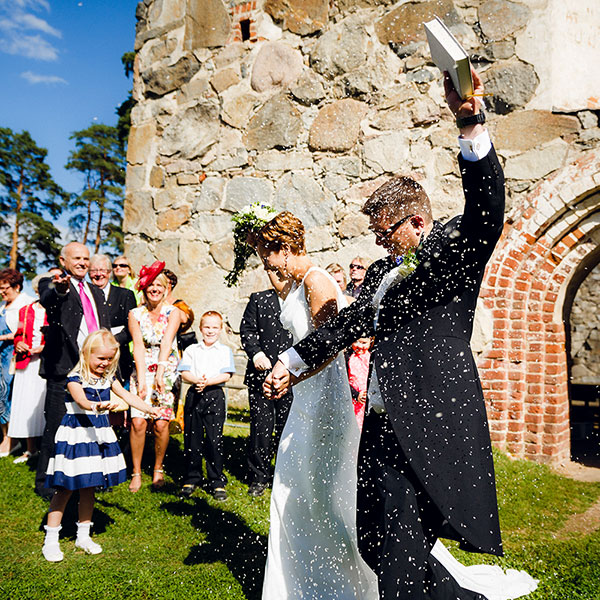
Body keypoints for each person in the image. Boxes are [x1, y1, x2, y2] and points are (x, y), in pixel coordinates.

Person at [265, 69, 538, 599]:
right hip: (381, 423)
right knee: (374, 539)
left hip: (431, 417)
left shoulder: (453, 249)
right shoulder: (378, 273)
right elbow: (345, 325)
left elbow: (487, 209)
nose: (380, 242)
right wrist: (291, 362)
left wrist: (471, 125)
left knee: (401, 550)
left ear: (415, 222)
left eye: (385, 231)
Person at [250, 210, 380, 599]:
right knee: (297, 490)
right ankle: (302, 579)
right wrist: (256, 245)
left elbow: (329, 346)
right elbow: (280, 284)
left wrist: (290, 376)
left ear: (284, 249)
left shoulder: (317, 280)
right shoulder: (295, 281)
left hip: (324, 401)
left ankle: (351, 581)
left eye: (268, 254)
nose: (267, 264)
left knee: (322, 496)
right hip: (307, 400)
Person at [42, 329, 159, 562]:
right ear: (86, 353)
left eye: (109, 359)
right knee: (65, 488)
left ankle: (83, 535)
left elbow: (127, 395)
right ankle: (51, 539)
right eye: (101, 358)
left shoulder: (109, 378)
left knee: (90, 486)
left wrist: (148, 408)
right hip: (77, 435)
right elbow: (81, 400)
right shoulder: (75, 378)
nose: (105, 363)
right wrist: (96, 406)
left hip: (97, 435)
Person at [35, 242, 110, 499]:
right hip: (64, 369)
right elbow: (48, 298)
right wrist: (60, 289)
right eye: (76, 258)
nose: (82, 263)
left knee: (91, 426)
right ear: (63, 261)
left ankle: (90, 477)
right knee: (56, 426)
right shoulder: (52, 283)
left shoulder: (96, 291)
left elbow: (102, 325)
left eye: (86, 258)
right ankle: (46, 482)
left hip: (94, 370)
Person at [128, 261, 181, 492]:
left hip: (166, 369)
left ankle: (158, 468)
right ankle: (136, 471)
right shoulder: (135, 314)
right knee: (138, 421)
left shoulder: (173, 312)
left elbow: (167, 342)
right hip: (141, 367)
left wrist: (160, 372)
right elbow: (138, 346)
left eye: (159, 285)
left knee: (160, 423)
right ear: (144, 287)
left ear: (166, 288)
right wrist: (141, 380)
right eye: (151, 285)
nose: (155, 289)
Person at [240, 270, 293, 498]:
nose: (280, 279)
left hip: (291, 378)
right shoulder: (259, 299)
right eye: (275, 275)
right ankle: (258, 477)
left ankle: (284, 476)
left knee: (287, 428)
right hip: (260, 376)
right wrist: (256, 354)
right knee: (261, 429)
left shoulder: (299, 301)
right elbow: (247, 330)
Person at [178, 311, 235, 501]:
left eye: (214, 327)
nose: (210, 331)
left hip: (214, 394)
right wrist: (197, 381)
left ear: (220, 329)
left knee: (214, 439)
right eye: (207, 327)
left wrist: (208, 382)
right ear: (201, 328)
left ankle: (216, 480)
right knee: (192, 438)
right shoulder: (192, 350)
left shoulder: (224, 351)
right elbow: (184, 372)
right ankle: (192, 477)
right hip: (195, 393)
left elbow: (226, 374)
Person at [8, 272, 59, 463]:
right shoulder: (26, 310)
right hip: (27, 362)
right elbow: (19, 332)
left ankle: (48, 448)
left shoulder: (55, 309)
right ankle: (30, 449)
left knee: (43, 402)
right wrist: (19, 343)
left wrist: (44, 347)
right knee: (26, 403)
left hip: (46, 361)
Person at [0, 268, 35, 456]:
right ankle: (5, 436)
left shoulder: (26, 303)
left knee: (12, 396)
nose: (1, 292)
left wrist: (4, 337)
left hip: (15, 357)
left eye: (5, 288)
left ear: (17, 287)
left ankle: (13, 440)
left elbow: (25, 331)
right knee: (1, 397)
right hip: (1, 356)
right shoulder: (2, 306)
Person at [89, 254, 137, 384]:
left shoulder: (125, 295)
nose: (98, 274)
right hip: (89, 361)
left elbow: (132, 329)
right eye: (94, 271)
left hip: (119, 362)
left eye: (102, 270)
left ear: (109, 272)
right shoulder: (83, 296)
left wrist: (110, 342)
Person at [346, 337, 372, 430]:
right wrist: (356, 394)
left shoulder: (372, 357)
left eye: (364, 343)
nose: (360, 346)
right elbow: (344, 381)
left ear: (371, 341)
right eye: (355, 342)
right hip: (352, 401)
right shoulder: (348, 357)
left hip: (369, 401)